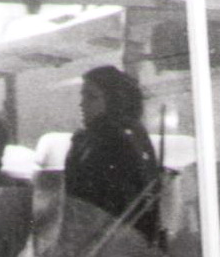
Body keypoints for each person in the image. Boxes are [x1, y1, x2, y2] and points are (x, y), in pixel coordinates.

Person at [64, 65, 162, 243]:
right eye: (82, 95)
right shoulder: (129, 136)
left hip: (108, 242)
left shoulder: (115, 141)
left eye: (91, 97)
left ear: (113, 100)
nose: (82, 103)